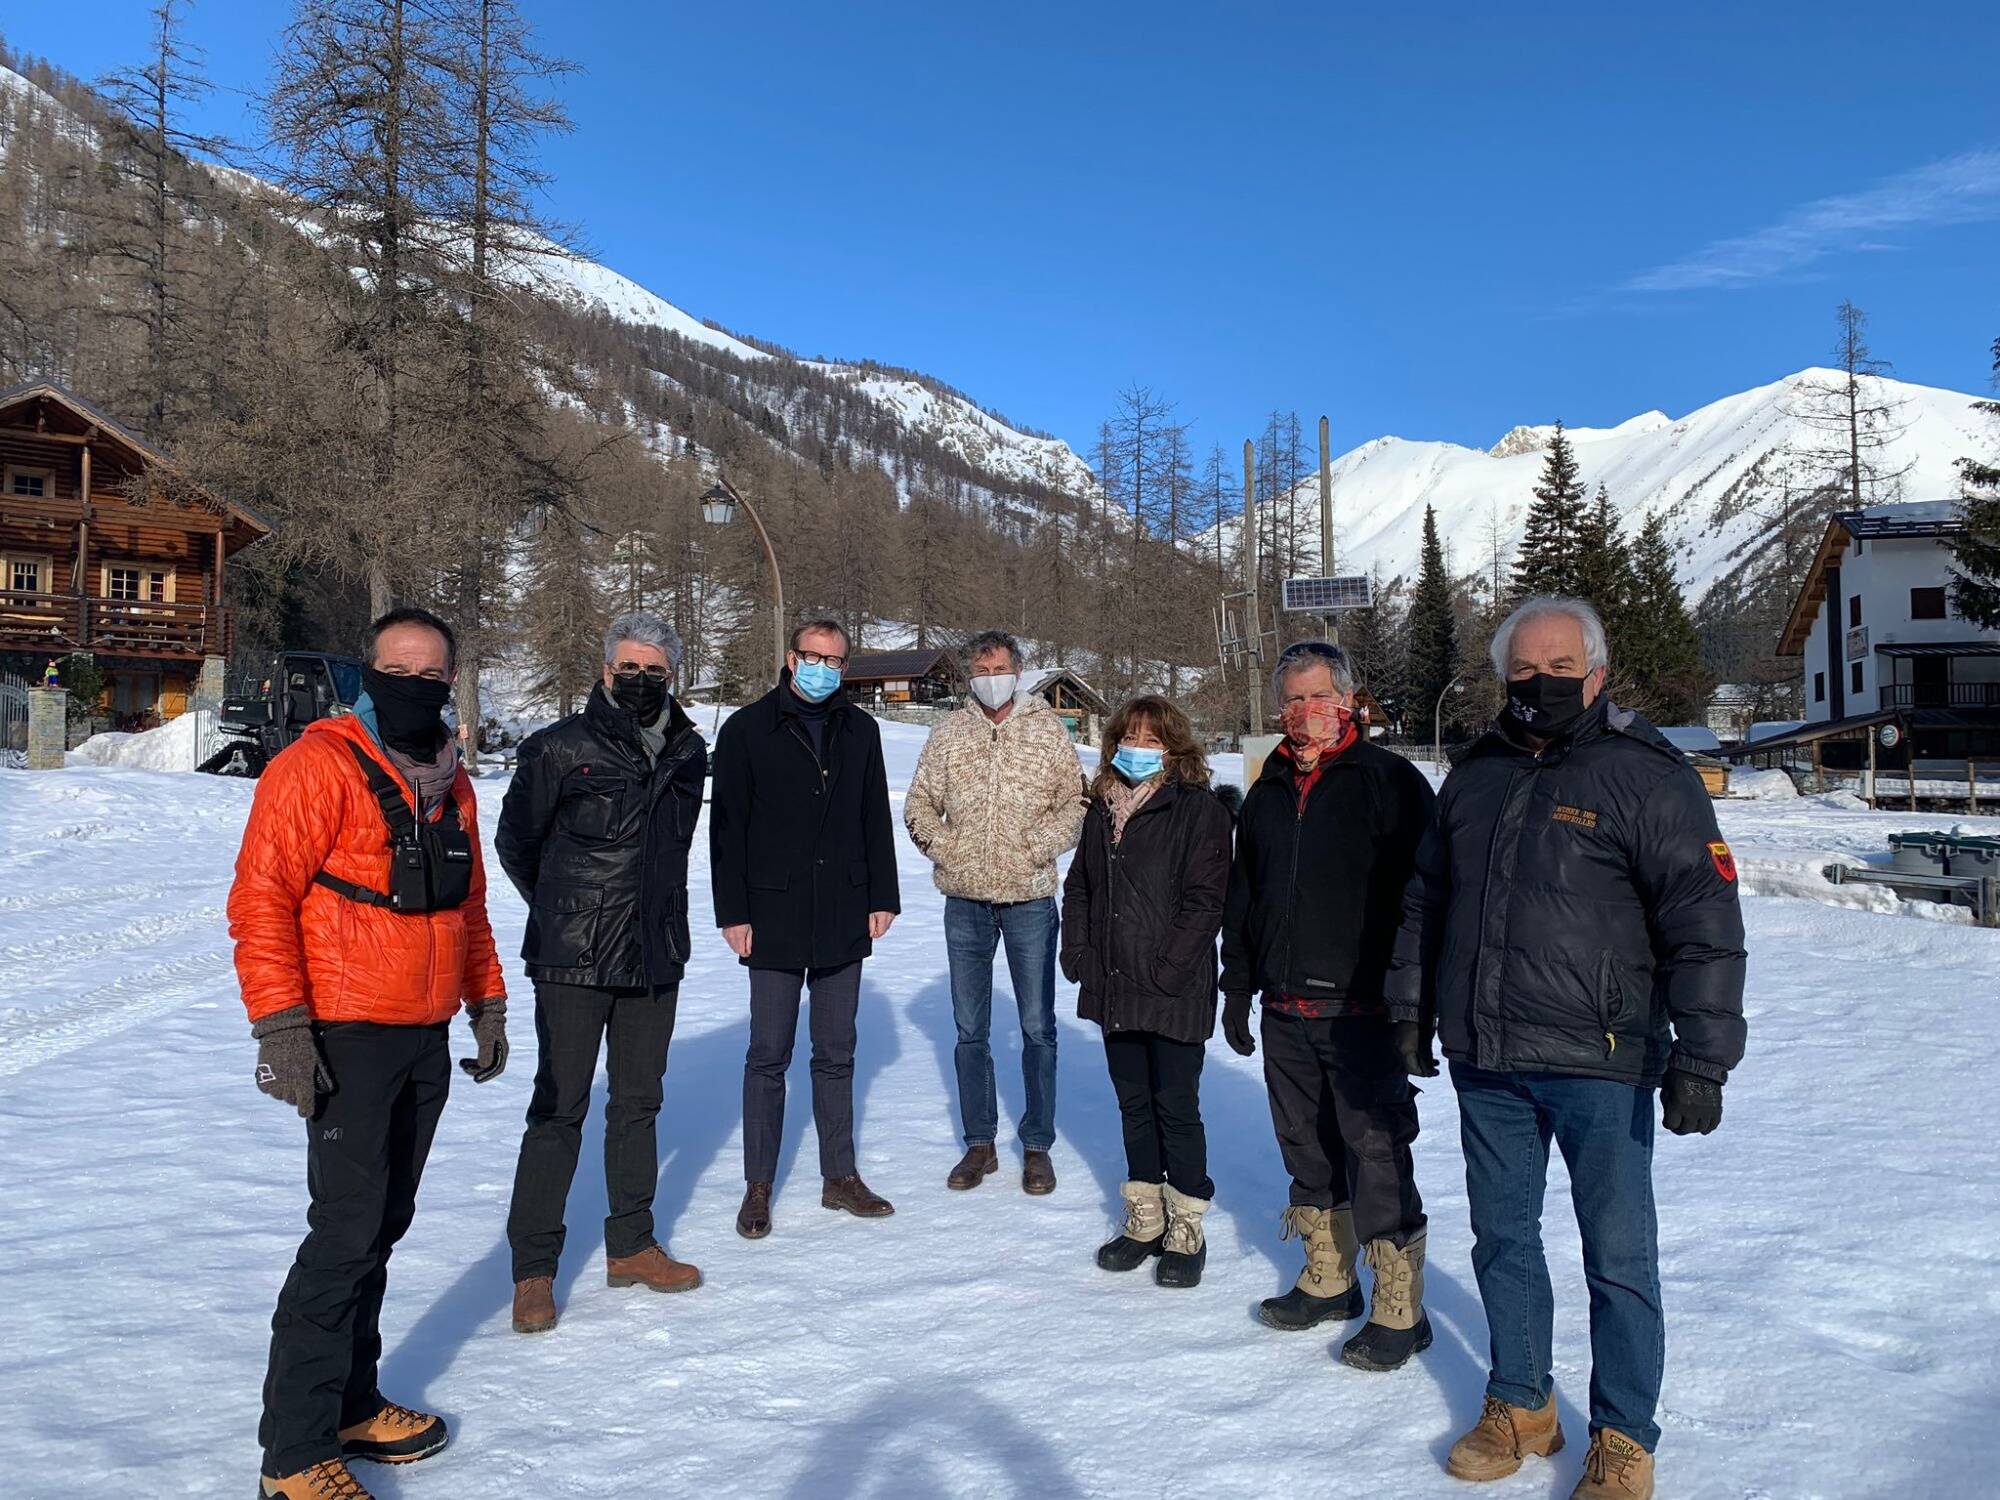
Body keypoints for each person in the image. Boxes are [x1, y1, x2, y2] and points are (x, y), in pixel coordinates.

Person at [1388, 597, 1747, 1500]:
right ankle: (1522, 1401)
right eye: (1521, 670)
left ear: (1596, 674)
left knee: (1617, 1258)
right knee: (1502, 1240)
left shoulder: (1648, 776)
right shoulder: (1475, 775)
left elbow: (1704, 922)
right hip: (1490, 1058)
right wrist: (1410, 1006)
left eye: (1557, 668)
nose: (1537, 684)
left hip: (1605, 1059)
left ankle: (1624, 1436)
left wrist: (1703, 1057)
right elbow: (1426, 900)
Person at [229, 606, 508, 1500]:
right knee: (342, 1235)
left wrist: (488, 1002)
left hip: (422, 1032)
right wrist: (282, 1027)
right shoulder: (313, 766)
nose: (416, 685)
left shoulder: (451, 780)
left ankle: (351, 1403)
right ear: (368, 673)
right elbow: (261, 900)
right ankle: (295, 1453)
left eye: (433, 674)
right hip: (346, 1031)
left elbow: (466, 907)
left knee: (383, 1225)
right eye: (400, 669)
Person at [1219, 640, 1437, 1371]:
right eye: (1292, 699)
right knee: (1304, 1148)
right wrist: (1237, 987)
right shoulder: (1269, 787)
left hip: (1363, 1010)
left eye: (1319, 697)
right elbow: (1244, 897)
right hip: (1285, 1006)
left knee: (1376, 1152)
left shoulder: (1390, 782)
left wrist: (1416, 1005)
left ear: (1348, 701)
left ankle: (1399, 1306)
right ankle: (1328, 1276)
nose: (1305, 712)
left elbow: (1427, 899)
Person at [496, 612, 708, 1336]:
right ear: (605, 666)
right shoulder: (559, 747)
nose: (640, 679)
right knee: (559, 1109)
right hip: (574, 956)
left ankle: (632, 1244)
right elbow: (517, 842)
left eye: (654, 669)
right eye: (629, 666)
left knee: (639, 1103)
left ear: (672, 674)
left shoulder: (688, 750)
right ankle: (533, 1270)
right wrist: (566, 909)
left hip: (654, 953)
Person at [711, 618, 902, 1238]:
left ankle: (839, 1176)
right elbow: (727, 830)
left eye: (836, 660)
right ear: (791, 659)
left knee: (836, 1052)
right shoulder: (747, 729)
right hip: (772, 915)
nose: (824, 668)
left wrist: (882, 894)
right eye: (813, 656)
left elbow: (875, 813)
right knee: (768, 1054)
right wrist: (732, 912)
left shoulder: (860, 729)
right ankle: (758, 1186)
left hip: (844, 911)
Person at [1061, 695, 1233, 1288]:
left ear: (1174, 747)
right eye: (1129, 737)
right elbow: (1080, 884)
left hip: (1171, 985)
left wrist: (1167, 966)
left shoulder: (1198, 809)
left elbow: (1204, 901)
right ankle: (1145, 1219)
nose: (1138, 748)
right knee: (1133, 1103)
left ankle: (1186, 1224)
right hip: (1113, 982)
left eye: (1151, 739)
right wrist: (1078, 951)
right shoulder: (1101, 807)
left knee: (1175, 1106)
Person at [905, 629, 1085, 1194]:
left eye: (1000, 667)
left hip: (1030, 897)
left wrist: (1038, 847)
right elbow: (918, 804)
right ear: (968, 675)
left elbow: (1075, 802)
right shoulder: (949, 733)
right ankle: (979, 1144)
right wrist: (944, 847)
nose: (991, 678)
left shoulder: (1047, 731)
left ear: (1018, 669)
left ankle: (1037, 1145)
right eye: (980, 670)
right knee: (969, 1030)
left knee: (1037, 1027)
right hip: (965, 902)